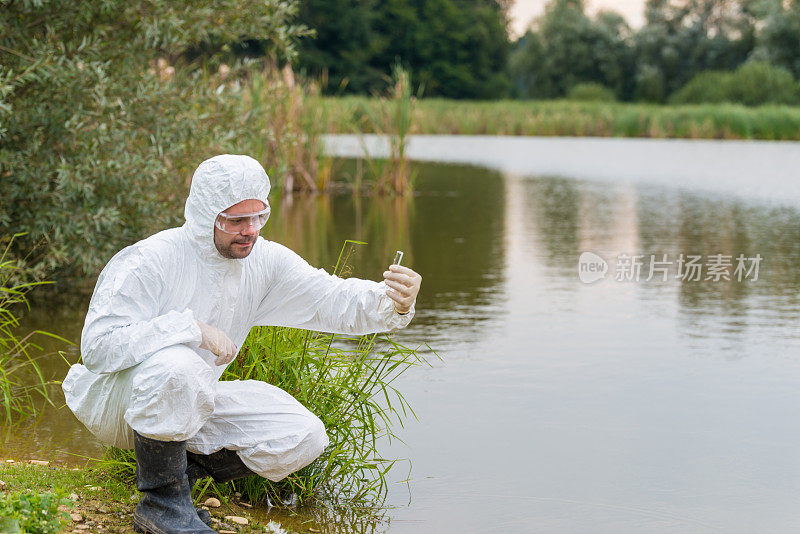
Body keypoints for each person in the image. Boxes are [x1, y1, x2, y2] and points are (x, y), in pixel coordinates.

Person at [62, 154, 422, 534]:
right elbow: (99, 347)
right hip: (119, 403)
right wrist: (191, 329)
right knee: (179, 365)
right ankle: (162, 504)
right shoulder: (151, 260)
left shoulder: (263, 261)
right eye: (236, 220)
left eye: (258, 217)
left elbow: (331, 297)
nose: (250, 230)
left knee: (302, 434)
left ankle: (175, 486)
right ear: (206, 216)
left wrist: (393, 302)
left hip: (189, 400)